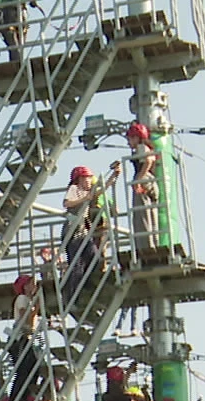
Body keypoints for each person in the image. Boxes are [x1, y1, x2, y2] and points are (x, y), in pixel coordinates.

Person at [63, 164, 118, 301]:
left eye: (89, 178)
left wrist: (114, 176)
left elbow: (101, 190)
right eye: (86, 178)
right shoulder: (74, 189)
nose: (89, 180)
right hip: (73, 230)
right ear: (79, 179)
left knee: (93, 257)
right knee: (77, 264)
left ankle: (85, 287)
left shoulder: (87, 193)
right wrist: (84, 199)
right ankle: (72, 295)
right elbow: (67, 203)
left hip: (82, 232)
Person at [125, 122, 161, 255]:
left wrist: (139, 179)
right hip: (151, 181)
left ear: (137, 137)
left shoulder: (142, 147)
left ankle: (145, 247)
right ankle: (153, 244)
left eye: (130, 138)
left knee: (141, 216)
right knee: (151, 215)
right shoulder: (148, 147)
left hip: (144, 179)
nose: (128, 142)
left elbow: (148, 160)